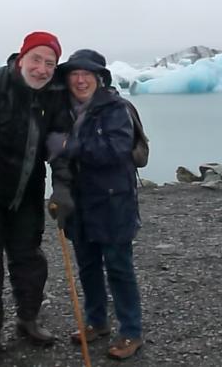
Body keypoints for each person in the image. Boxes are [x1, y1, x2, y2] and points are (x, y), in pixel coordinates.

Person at [0, 31, 74, 363]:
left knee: (29, 260)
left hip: (27, 193)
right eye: (36, 59)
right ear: (21, 58)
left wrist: (62, 188)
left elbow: (59, 148)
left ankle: (28, 319)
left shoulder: (54, 95)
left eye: (49, 63)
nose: (41, 69)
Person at [48, 49, 144, 360]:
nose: (80, 79)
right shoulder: (62, 110)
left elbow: (116, 149)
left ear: (99, 78)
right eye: (75, 74)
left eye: (86, 74)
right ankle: (97, 322)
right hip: (80, 201)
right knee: (88, 265)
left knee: (118, 266)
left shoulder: (115, 108)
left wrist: (69, 145)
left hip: (114, 200)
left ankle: (131, 331)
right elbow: (53, 155)